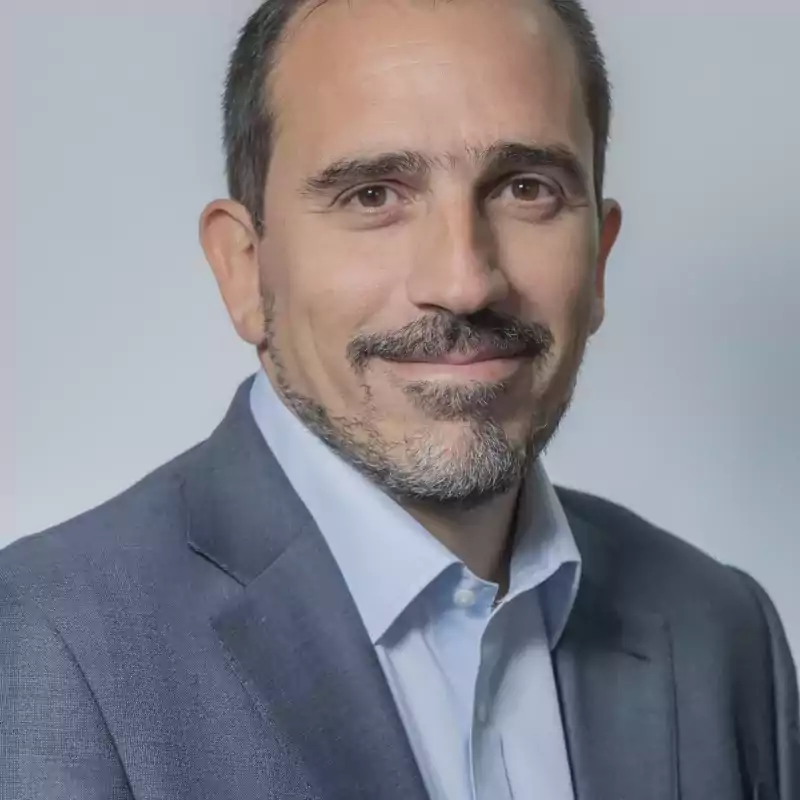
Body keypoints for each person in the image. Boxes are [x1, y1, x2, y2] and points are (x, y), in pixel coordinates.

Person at [2, 0, 797, 797]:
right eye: (373, 196)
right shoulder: (46, 645)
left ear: (599, 261)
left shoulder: (720, 629)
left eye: (526, 188)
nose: (464, 282)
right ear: (244, 268)